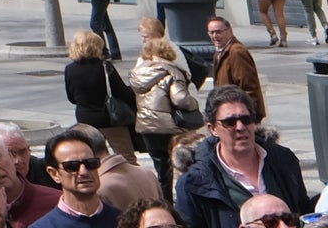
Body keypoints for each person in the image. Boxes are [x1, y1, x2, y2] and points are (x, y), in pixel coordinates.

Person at [175, 87, 314, 228]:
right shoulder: (194, 183)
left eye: (246, 119)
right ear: (212, 128)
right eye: (230, 122)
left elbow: (301, 213)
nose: (240, 127)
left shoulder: (283, 161)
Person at [126, 37, 192, 195]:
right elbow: (180, 98)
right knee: (181, 165)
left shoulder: (138, 74)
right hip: (169, 126)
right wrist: (194, 104)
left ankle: (166, 201)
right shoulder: (171, 71)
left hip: (146, 127)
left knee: (161, 168)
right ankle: (185, 198)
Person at [63, 31, 136, 161]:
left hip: (86, 120)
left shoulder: (70, 69)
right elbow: (122, 92)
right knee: (126, 155)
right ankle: (132, 180)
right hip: (109, 118)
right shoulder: (104, 67)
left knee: (91, 157)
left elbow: (72, 98)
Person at [203, 15, 262, 118]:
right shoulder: (219, 52)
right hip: (229, 112)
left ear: (230, 31)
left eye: (218, 32)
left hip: (239, 114)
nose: (215, 36)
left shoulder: (237, 52)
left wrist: (247, 115)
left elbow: (248, 86)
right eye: (211, 33)